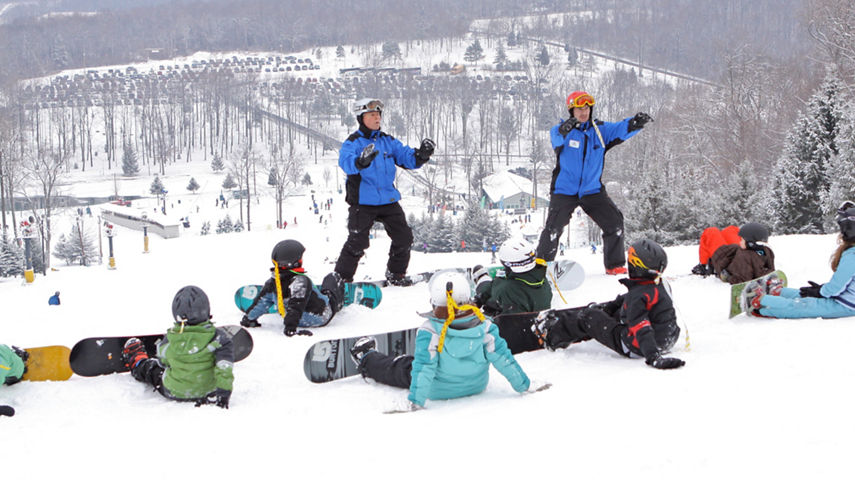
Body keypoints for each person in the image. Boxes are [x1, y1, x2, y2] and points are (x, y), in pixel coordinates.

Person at [349, 271, 533, 410]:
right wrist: (524, 386)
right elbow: (504, 359)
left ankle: (366, 358)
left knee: (402, 367)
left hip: (437, 390)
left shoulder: (430, 330)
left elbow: (424, 368)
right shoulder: (485, 327)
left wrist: (416, 401)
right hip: (476, 386)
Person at [536, 90, 652, 275]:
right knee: (553, 229)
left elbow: (619, 129)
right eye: (579, 109)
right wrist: (564, 130)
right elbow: (556, 137)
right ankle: (540, 268)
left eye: (587, 108)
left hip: (592, 190)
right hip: (564, 190)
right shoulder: (562, 131)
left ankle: (614, 265)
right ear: (571, 111)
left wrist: (635, 123)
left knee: (614, 222)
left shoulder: (600, 131)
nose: (584, 112)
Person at [534, 239, 685, 370]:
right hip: (667, 339)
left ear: (635, 266)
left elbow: (641, 326)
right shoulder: (659, 285)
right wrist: (612, 306)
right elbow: (648, 304)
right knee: (617, 308)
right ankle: (602, 314)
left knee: (589, 316)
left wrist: (653, 357)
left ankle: (552, 335)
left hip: (637, 346)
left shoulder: (637, 298)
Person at [334, 98, 436, 286]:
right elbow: (345, 162)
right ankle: (341, 279)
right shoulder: (353, 142)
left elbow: (406, 157)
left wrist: (421, 155)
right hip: (363, 201)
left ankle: (396, 273)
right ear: (361, 118)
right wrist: (360, 162)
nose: (377, 118)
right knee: (357, 242)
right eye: (372, 115)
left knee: (404, 237)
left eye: (378, 115)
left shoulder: (387, 141)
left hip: (388, 199)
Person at [122, 286, 234, 408]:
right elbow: (224, 369)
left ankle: (137, 361)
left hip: (174, 390)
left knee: (152, 369)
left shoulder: (171, 338)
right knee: (219, 362)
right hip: (209, 391)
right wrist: (223, 396)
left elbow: (163, 362)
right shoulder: (219, 338)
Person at [745, 202, 855, 319]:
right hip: (844, 298)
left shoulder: (852, 256)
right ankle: (779, 292)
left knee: (805, 306)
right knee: (805, 294)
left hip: (846, 305)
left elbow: (836, 287)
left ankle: (761, 303)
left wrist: (820, 292)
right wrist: (820, 290)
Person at [240, 239, 345, 336]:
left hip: (294, 319)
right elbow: (297, 305)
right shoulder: (300, 281)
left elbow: (261, 303)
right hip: (319, 317)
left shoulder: (272, 283)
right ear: (295, 262)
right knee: (332, 278)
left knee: (271, 297)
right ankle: (338, 302)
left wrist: (248, 319)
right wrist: (290, 328)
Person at [472, 238, 552, 315]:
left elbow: (507, 318)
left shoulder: (508, 289)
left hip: (503, 315)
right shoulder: (541, 278)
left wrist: (486, 307)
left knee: (486, 284)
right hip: (533, 317)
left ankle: (482, 279)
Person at [692, 222, 775, 284]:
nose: (740, 241)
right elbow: (770, 270)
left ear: (751, 244)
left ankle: (704, 265)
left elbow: (740, 279)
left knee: (711, 231)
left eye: (741, 240)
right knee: (732, 229)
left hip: (722, 258)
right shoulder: (767, 251)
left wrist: (727, 277)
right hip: (735, 252)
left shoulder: (744, 258)